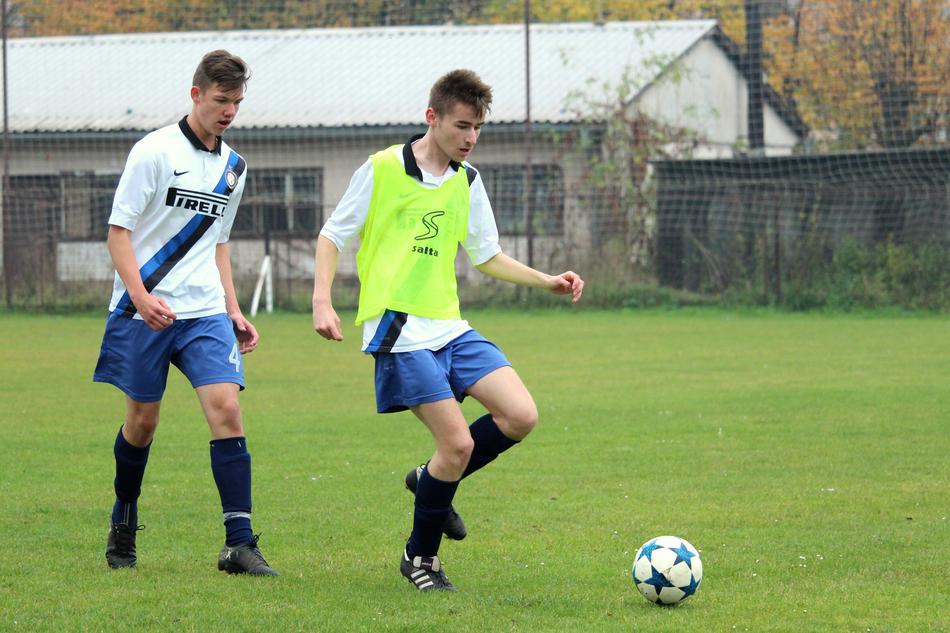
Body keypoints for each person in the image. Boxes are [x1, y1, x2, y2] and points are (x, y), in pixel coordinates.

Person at [312, 69, 584, 592]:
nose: (470, 138)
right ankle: (420, 559)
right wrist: (322, 301)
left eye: (478, 127)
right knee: (456, 445)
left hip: (449, 327)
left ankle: (428, 480)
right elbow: (332, 235)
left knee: (520, 414)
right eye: (462, 126)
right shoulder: (382, 169)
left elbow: (487, 255)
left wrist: (545, 280)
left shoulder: (468, 179)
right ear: (432, 117)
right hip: (397, 329)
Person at [93, 50, 277, 576]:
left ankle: (239, 544)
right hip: (142, 310)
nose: (229, 112)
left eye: (237, 103)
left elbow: (218, 245)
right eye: (221, 101)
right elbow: (118, 233)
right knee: (142, 423)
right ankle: (124, 517)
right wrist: (142, 295)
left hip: (203, 313)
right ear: (195, 94)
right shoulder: (153, 152)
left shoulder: (234, 168)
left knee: (227, 410)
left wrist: (234, 309)